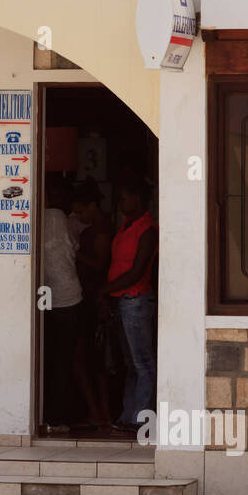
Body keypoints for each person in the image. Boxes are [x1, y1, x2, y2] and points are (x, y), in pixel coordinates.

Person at [101, 179, 159, 432]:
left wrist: (104, 290)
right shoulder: (128, 226)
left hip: (135, 300)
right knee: (130, 363)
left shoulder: (147, 229)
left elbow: (136, 272)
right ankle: (128, 415)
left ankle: (141, 419)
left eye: (124, 197)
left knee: (143, 363)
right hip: (123, 301)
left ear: (137, 198)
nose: (120, 202)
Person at [69, 180, 115, 431]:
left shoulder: (101, 231)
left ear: (93, 206)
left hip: (95, 297)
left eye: (81, 211)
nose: (78, 216)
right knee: (90, 358)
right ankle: (99, 412)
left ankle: (101, 412)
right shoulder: (92, 229)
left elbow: (100, 265)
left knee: (92, 359)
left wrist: (74, 253)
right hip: (87, 296)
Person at [41, 176, 83, 430]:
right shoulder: (59, 219)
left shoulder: (40, 218)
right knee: (65, 359)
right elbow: (74, 248)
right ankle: (62, 416)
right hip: (68, 296)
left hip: (44, 296)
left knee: (49, 358)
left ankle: (50, 414)